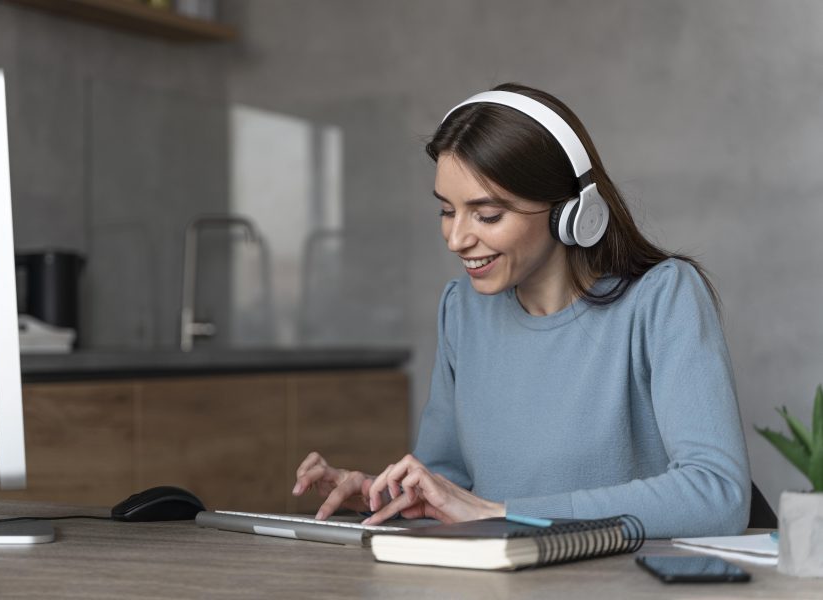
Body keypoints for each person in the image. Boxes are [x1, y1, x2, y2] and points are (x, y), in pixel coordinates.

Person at [292, 83, 751, 538]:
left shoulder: (661, 298)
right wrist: (383, 496)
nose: (456, 239)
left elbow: (716, 496)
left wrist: (504, 512)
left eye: (487, 215)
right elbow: (449, 494)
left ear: (572, 212)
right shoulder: (462, 310)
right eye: (446, 211)